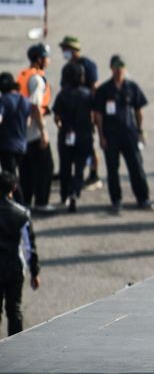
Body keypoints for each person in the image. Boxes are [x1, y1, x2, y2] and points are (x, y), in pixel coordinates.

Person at [92, 55, 154, 212]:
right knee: (112, 169)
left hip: (130, 134)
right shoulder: (104, 90)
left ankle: (143, 198)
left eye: (121, 67)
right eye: (116, 67)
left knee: (136, 166)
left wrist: (140, 131)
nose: (119, 70)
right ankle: (116, 200)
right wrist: (101, 136)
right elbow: (98, 114)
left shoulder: (131, 87)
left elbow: (138, 110)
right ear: (111, 68)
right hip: (110, 135)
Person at [16, 44, 54, 213]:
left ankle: (25, 203)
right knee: (46, 167)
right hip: (34, 132)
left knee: (26, 171)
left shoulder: (23, 75)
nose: (49, 60)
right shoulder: (37, 80)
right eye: (46, 57)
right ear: (39, 59)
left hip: (22, 131)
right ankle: (41, 202)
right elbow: (35, 106)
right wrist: (43, 131)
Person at [59, 36, 101, 188]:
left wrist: (94, 113)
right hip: (70, 113)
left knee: (89, 144)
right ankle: (69, 173)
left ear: (74, 50)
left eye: (66, 49)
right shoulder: (67, 68)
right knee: (69, 144)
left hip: (85, 111)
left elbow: (95, 87)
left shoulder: (87, 65)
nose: (63, 52)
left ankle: (94, 175)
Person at [51, 62, 94, 212]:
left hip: (67, 135)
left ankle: (64, 195)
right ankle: (75, 191)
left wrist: (62, 127)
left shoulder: (62, 94)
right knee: (80, 167)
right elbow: (93, 114)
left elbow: (56, 117)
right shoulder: (87, 94)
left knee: (65, 166)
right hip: (84, 134)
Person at [0, 171, 39, 335]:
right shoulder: (22, 213)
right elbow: (29, 247)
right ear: (14, 188)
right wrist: (34, 272)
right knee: (14, 309)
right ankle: (15, 345)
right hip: (15, 266)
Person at [0, 75, 29, 188]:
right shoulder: (24, 100)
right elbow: (29, 121)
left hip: (7, 145)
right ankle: (24, 201)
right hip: (22, 144)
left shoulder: (3, 100)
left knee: (9, 179)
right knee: (21, 176)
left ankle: (17, 202)